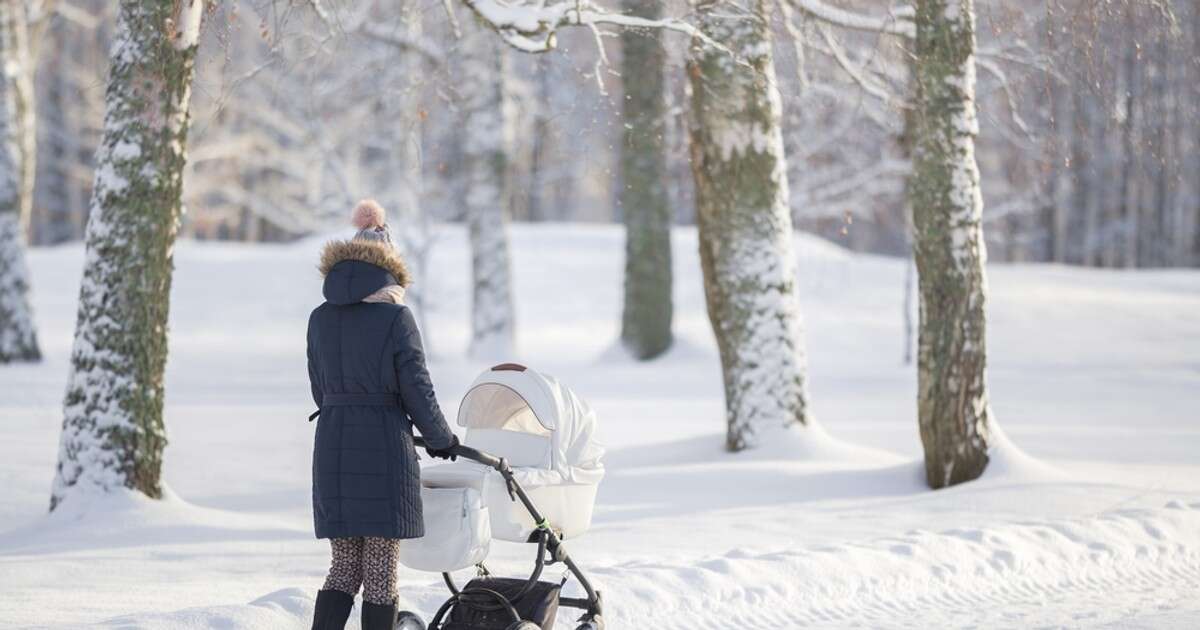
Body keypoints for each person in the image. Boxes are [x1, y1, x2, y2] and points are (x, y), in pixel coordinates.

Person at [306, 200, 460, 630]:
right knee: (379, 569)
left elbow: (319, 388)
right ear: (390, 267)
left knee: (343, 566)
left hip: (333, 445)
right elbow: (417, 388)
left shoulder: (320, 318)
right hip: (382, 448)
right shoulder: (396, 317)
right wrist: (441, 438)